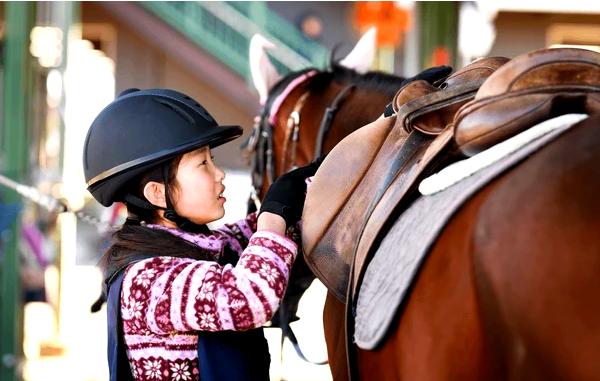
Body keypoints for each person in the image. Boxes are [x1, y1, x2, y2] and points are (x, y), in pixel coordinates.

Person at [82, 88, 320, 381]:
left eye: (213, 159)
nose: (219, 173)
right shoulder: (148, 280)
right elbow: (247, 299)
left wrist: (303, 187)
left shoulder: (196, 247)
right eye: (203, 164)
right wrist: (272, 217)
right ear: (158, 193)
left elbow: (255, 234)